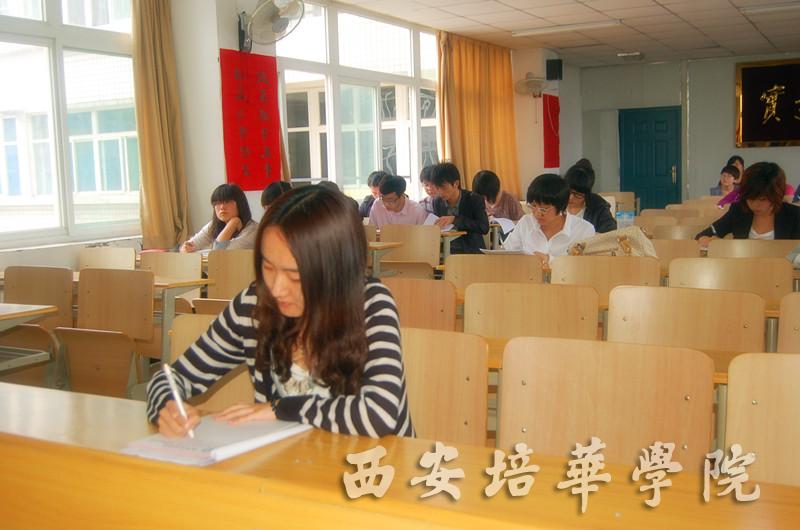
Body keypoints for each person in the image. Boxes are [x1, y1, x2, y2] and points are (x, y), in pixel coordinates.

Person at [148, 185, 414, 438]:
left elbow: (379, 414)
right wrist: (166, 406)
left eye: (295, 275)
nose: (276, 289)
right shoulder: (254, 305)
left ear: (336, 270)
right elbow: (172, 377)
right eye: (268, 267)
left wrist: (279, 409)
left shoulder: (369, 303)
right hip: (288, 460)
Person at [696, 162, 800, 246]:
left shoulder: (794, 215)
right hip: (742, 266)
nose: (755, 204)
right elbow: (704, 234)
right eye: (750, 198)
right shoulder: (738, 210)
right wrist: (706, 239)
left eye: (762, 199)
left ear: (776, 195)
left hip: (783, 266)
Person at [502, 173, 595, 266]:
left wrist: (551, 261)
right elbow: (506, 254)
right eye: (533, 206)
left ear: (561, 207)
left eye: (544, 209)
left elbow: (586, 267)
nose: (537, 213)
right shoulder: (526, 222)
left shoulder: (584, 229)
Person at [430, 162, 490, 254]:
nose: (440, 192)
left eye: (443, 188)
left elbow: (483, 227)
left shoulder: (474, 199)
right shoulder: (437, 202)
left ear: (456, 183)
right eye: (437, 188)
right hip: (446, 251)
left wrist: (455, 220)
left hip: (470, 252)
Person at [180, 183, 257, 252]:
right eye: (218, 203)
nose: (222, 207)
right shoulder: (214, 225)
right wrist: (185, 247)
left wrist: (233, 223)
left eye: (227, 202)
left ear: (240, 204)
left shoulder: (253, 230)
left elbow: (219, 252)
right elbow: (191, 245)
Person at [563, 164, 616, 233]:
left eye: (578, 194)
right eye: (568, 191)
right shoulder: (555, 202)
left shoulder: (598, 206)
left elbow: (610, 232)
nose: (571, 197)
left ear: (587, 194)